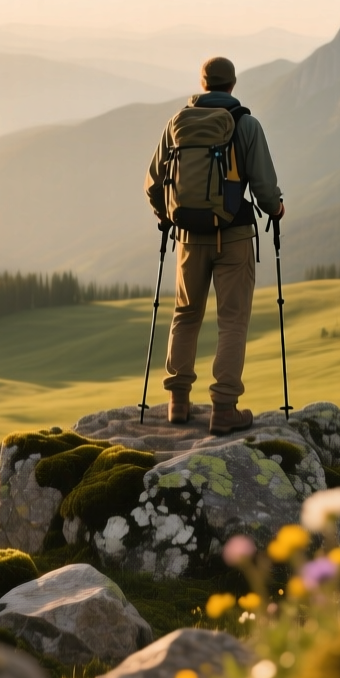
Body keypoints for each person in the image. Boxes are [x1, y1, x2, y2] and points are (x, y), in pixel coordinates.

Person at [145, 56, 284, 435]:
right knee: (232, 320)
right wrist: (277, 209)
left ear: (202, 83)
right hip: (235, 235)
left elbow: (153, 183)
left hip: (189, 237)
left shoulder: (177, 123)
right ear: (233, 84)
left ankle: (178, 401)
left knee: (185, 314)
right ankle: (224, 407)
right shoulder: (246, 124)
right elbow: (264, 185)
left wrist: (167, 216)